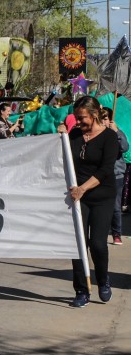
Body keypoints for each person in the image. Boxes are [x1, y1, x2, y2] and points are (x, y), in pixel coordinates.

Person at [63, 96, 120, 307]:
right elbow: (64, 157)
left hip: (101, 196)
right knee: (78, 244)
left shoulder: (109, 137)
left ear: (94, 114)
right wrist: (60, 136)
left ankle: (103, 280)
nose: (78, 122)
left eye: (81, 118)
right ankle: (81, 290)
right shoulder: (75, 134)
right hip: (79, 198)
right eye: (76, 118)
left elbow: (106, 170)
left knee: (97, 244)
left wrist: (83, 188)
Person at [102, 108, 129, 246]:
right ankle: (101, 232)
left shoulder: (117, 132)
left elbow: (124, 147)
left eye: (106, 118)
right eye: (101, 118)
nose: (103, 121)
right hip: (100, 175)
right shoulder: (97, 133)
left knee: (116, 206)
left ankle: (116, 233)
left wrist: (116, 132)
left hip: (116, 175)